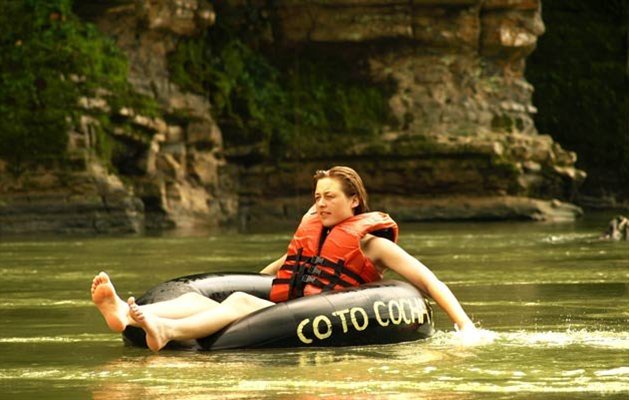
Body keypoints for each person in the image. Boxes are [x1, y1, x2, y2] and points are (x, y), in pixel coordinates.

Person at [91, 166, 477, 351]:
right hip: (290, 304)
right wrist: (261, 280)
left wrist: (465, 327)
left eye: (330, 197)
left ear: (354, 201)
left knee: (240, 302)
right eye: (317, 197)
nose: (321, 204)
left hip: (324, 314)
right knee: (210, 298)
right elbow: (280, 268)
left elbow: (429, 282)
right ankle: (130, 318)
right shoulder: (317, 236)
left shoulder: (372, 243)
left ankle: (165, 329)